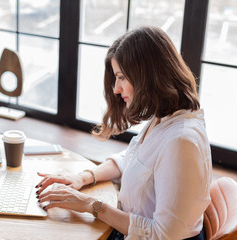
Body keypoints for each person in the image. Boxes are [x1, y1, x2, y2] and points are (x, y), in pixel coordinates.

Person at [35, 26, 212, 240]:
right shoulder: (165, 118)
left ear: (148, 76)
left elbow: (163, 235)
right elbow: (132, 160)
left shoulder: (181, 141)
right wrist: (82, 177)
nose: (116, 89)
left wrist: (89, 205)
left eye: (121, 77)